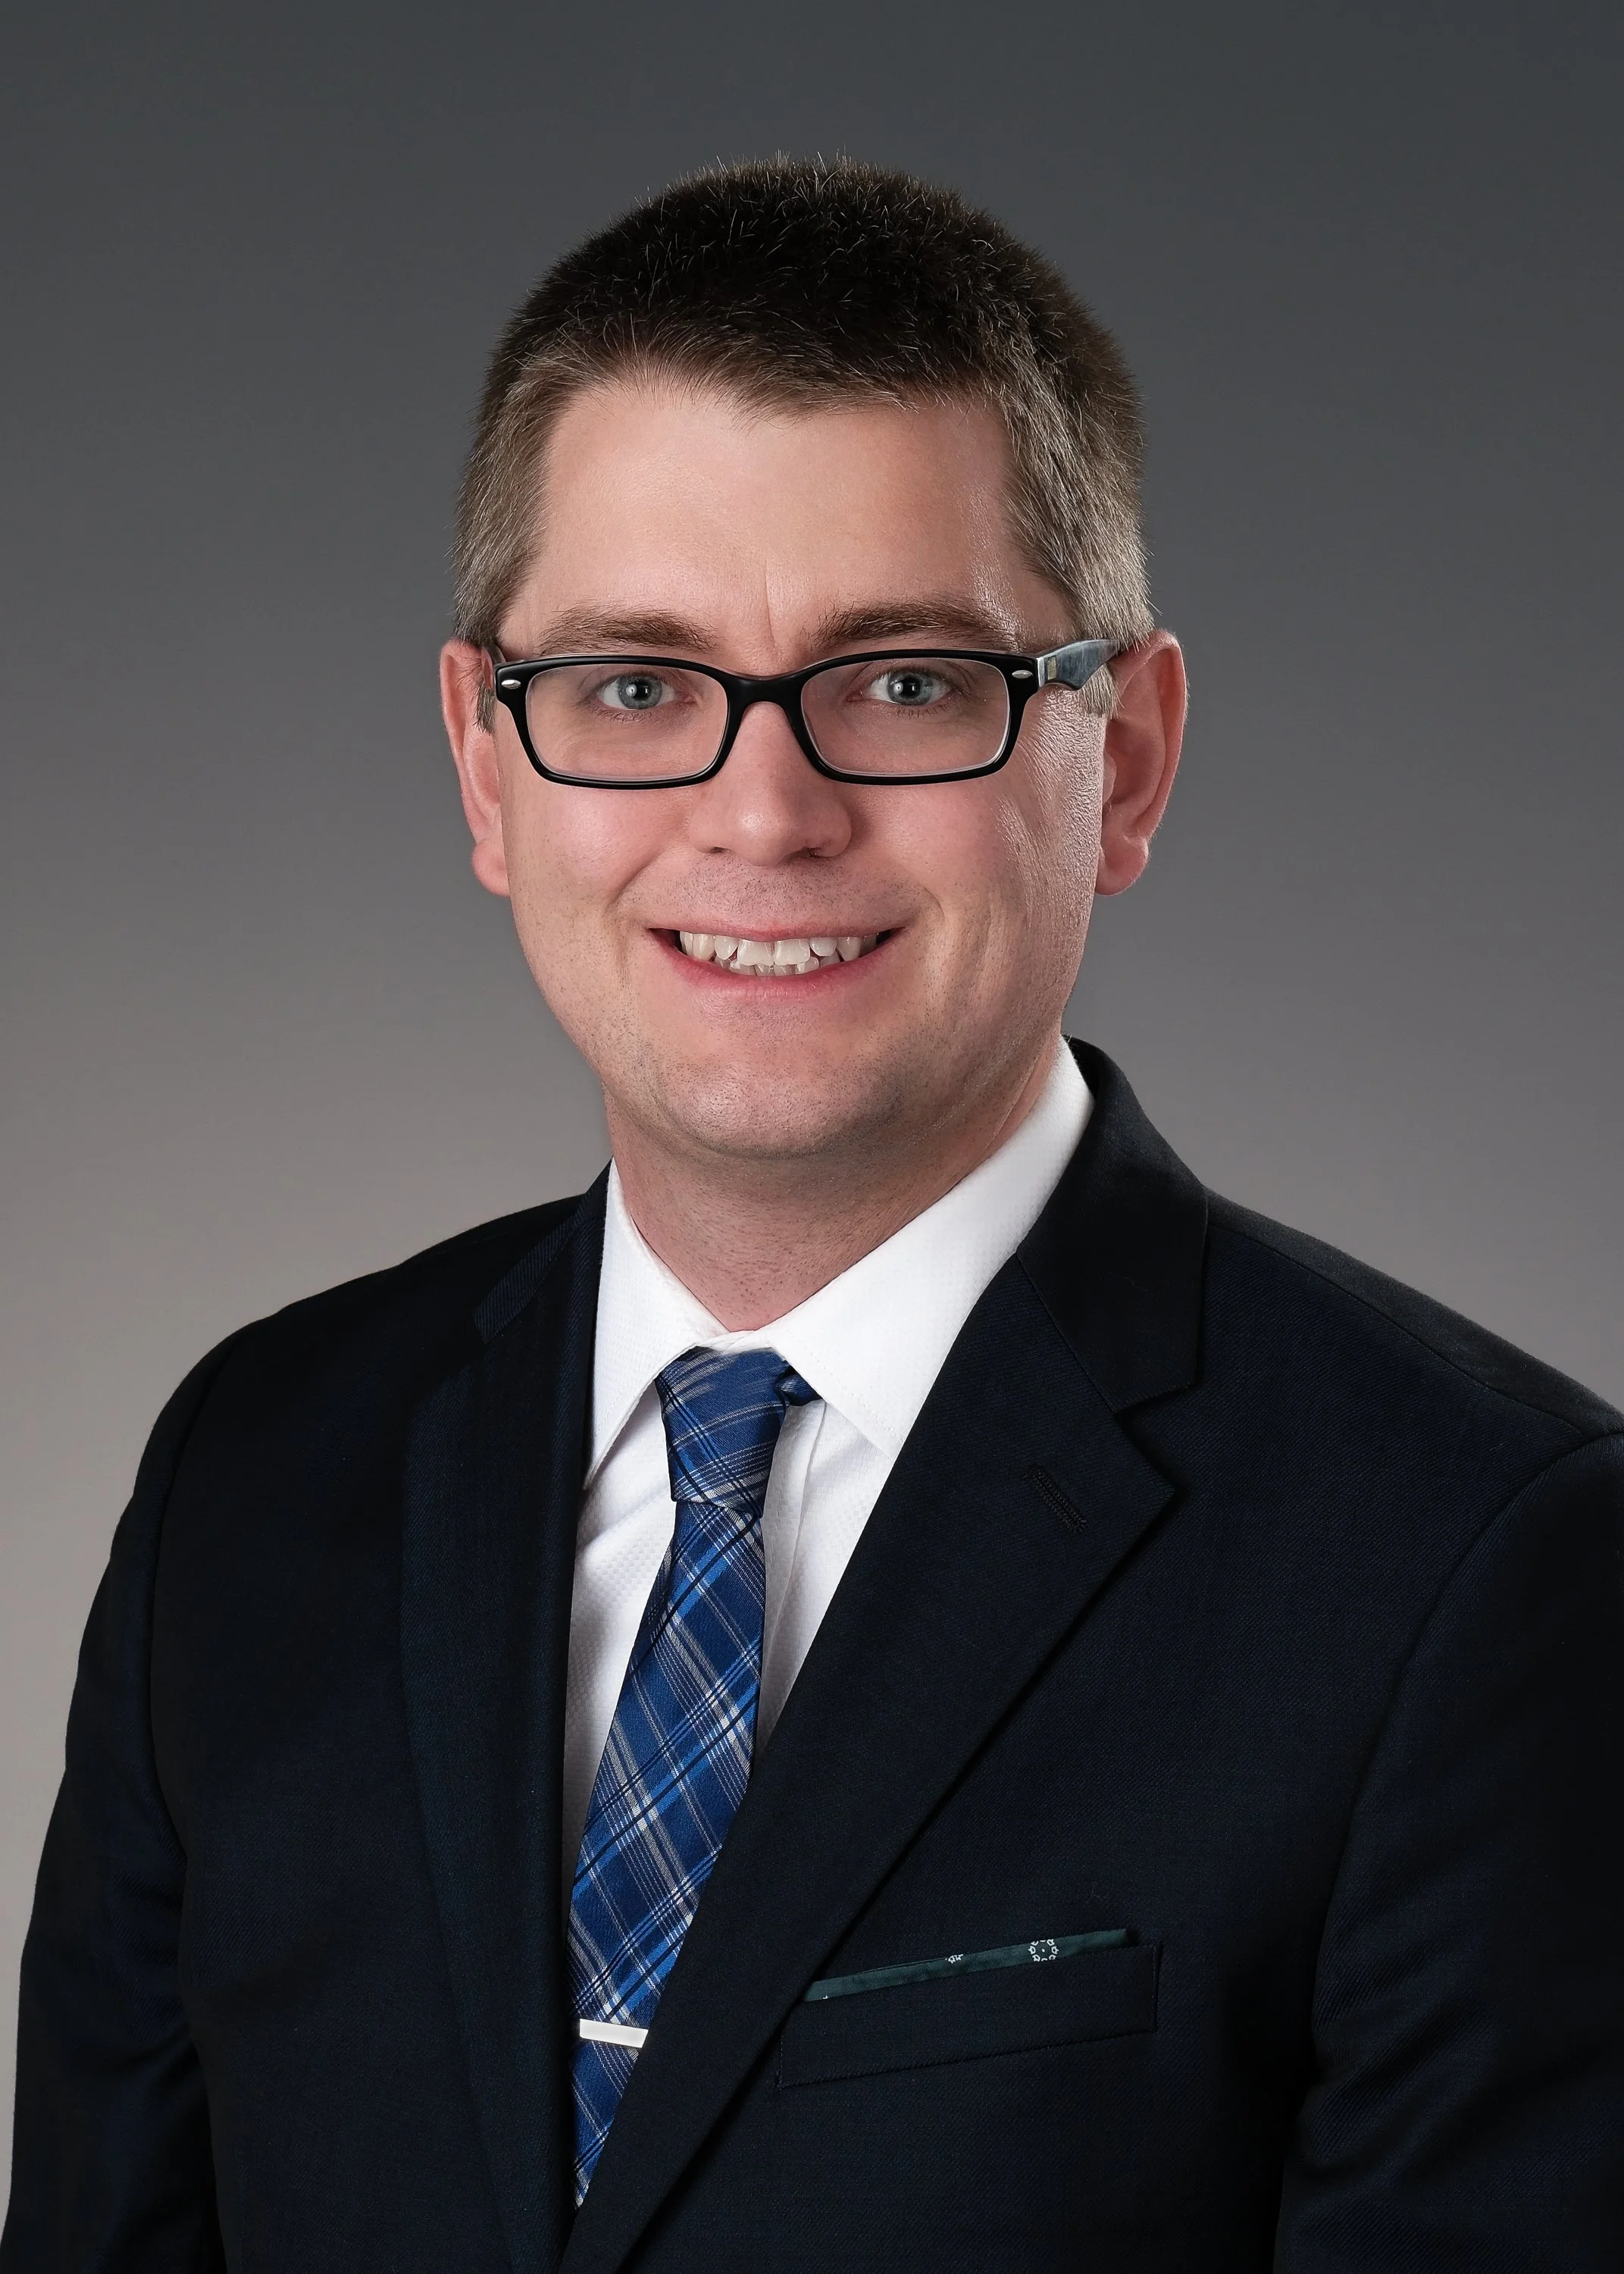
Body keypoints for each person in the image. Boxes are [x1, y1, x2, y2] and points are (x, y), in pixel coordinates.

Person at [4, 155, 1621, 2274]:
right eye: (631, 686)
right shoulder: (261, 1461)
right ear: (489, 775)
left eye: (908, 681)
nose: (761, 815)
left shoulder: (1482, 1563)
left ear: (1117, 760)